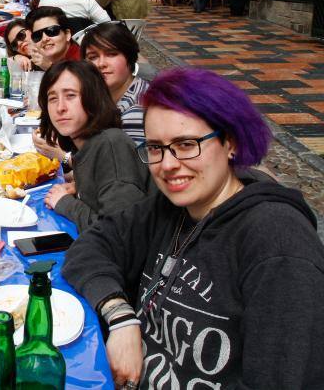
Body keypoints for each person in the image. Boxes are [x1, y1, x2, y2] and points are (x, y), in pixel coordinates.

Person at [62, 67, 324, 388]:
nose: (168, 164)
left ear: (231, 142)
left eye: (186, 144)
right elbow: (91, 246)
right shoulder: (171, 208)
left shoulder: (278, 242)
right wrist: (121, 317)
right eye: (156, 148)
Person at [38, 60, 154, 232]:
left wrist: (66, 203)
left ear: (93, 98)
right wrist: (83, 189)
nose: (60, 108)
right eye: (52, 98)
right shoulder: (85, 143)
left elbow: (119, 232)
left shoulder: (112, 144)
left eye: (70, 95)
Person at [80, 22, 150, 144]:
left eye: (111, 54)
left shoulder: (136, 110)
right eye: (93, 57)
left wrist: (65, 157)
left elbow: (125, 161)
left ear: (129, 57)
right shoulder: (103, 93)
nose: (101, 63)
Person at [25, 6, 81, 71]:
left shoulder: (82, 61)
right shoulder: (43, 59)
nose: (44, 39)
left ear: (67, 34)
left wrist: (49, 67)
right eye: (37, 35)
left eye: (52, 31)